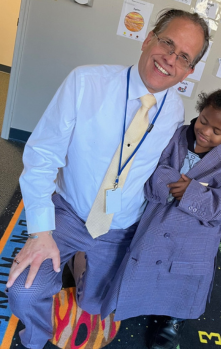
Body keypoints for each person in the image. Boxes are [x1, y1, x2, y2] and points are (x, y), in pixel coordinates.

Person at [6, 9, 210, 349]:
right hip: (69, 213)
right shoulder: (85, 82)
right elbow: (42, 157)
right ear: (148, 39)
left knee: (101, 305)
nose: (169, 59)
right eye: (166, 43)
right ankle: (36, 339)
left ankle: (79, 259)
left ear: (188, 71)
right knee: (25, 293)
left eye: (183, 57)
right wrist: (40, 233)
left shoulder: (175, 111)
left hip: (121, 225)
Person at [100, 80, 221, 349]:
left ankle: (173, 319)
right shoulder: (174, 136)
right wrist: (174, 185)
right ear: (200, 110)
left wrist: (192, 193)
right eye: (203, 120)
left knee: (181, 280)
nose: (205, 131)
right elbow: (152, 162)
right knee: (143, 265)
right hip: (156, 223)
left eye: (216, 131)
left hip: (194, 240)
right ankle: (132, 301)